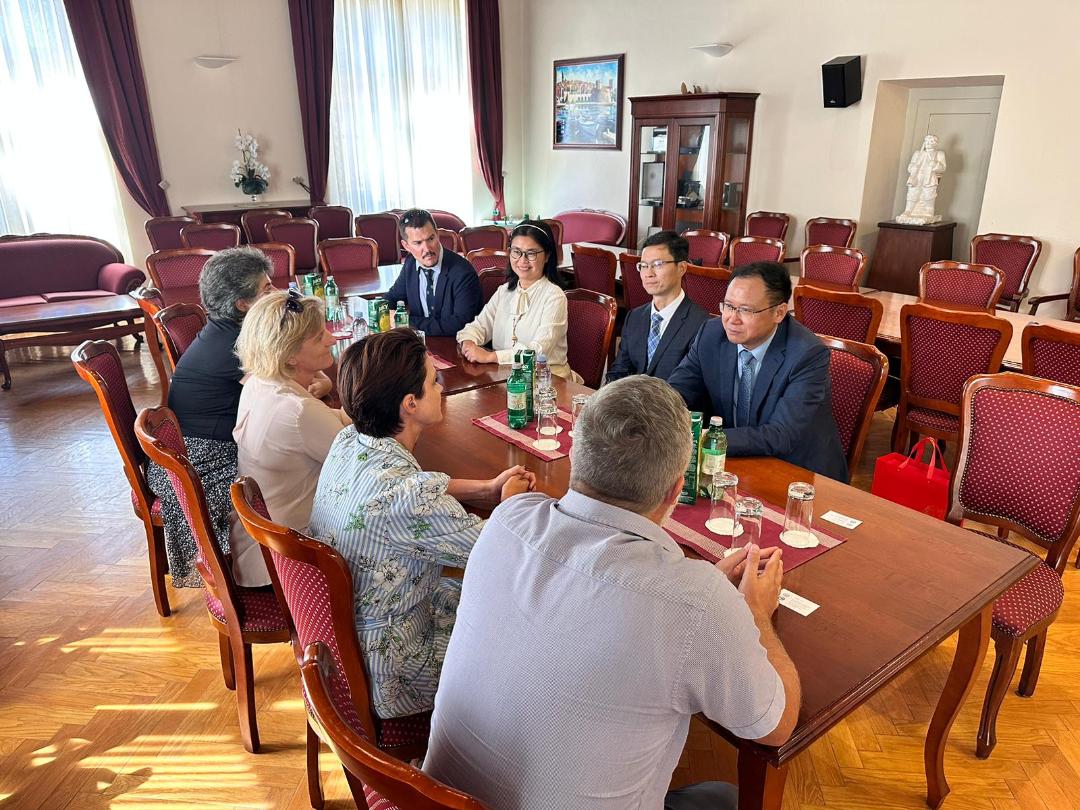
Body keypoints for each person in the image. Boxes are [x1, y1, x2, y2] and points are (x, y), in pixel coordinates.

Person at [423, 375, 801, 809]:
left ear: (574, 457)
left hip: (433, 800)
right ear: (676, 490)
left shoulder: (508, 518)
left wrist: (698, 597)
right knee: (725, 798)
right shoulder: (698, 603)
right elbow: (775, 726)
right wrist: (752, 611)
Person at [306, 329, 535, 720]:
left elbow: (416, 486)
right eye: (433, 381)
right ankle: (486, 741)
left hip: (349, 636)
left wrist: (486, 488)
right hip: (395, 667)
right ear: (409, 404)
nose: (441, 387)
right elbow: (499, 553)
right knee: (526, 630)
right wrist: (513, 500)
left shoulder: (350, 439)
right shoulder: (407, 498)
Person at [149, 247, 327, 587]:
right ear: (242, 304)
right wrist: (322, 384)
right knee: (302, 463)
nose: (276, 292)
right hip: (200, 463)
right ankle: (297, 564)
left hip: (195, 448)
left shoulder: (230, 332)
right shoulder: (237, 347)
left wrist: (321, 383)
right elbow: (290, 391)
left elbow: (298, 379)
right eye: (266, 289)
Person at [667, 261, 848, 481]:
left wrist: (703, 437)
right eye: (728, 306)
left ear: (779, 312)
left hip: (796, 472)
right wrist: (654, 413)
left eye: (745, 310)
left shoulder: (806, 354)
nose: (732, 319)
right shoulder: (711, 334)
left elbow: (781, 435)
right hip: (733, 463)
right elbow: (677, 391)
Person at [233, 290, 351, 538]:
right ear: (289, 356)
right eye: (319, 337)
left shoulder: (258, 382)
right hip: (295, 547)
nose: (331, 339)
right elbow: (365, 468)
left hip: (260, 536)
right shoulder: (299, 411)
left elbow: (332, 421)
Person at [457, 220, 581, 381]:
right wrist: (468, 342)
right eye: (516, 252)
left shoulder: (554, 296)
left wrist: (491, 356)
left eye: (531, 253)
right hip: (506, 377)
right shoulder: (504, 291)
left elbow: (537, 351)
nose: (522, 260)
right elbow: (479, 326)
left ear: (547, 256)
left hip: (547, 382)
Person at [606, 230, 708, 382]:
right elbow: (618, 372)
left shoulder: (701, 325)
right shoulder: (634, 317)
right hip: (629, 397)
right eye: (643, 266)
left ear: (681, 268)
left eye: (657, 264)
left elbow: (689, 386)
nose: (648, 273)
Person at [385, 208, 482, 336]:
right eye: (418, 243)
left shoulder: (463, 272)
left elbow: (460, 324)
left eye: (430, 239)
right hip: (418, 343)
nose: (427, 249)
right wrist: (384, 312)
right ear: (406, 246)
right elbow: (392, 298)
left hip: (454, 344)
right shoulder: (410, 263)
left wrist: (405, 322)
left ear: (437, 234)